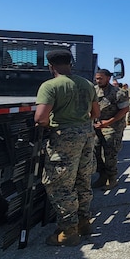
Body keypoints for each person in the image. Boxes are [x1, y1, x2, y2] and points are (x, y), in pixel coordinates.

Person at [34, 49, 100, 246]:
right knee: (82, 180)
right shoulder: (87, 84)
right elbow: (95, 112)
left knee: (60, 184)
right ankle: (84, 223)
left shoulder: (50, 86)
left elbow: (40, 118)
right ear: (71, 64)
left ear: (50, 66)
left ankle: (68, 231)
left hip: (64, 139)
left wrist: (52, 126)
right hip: (87, 136)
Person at [94, 69, 129, 189]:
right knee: (95, 151)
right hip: (97, 126)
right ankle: (102, 176)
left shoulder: (118, 93)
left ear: (108, 78)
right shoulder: (94, 91)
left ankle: (112, 179)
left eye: (100, 78)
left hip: (112, 126)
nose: (98, 80)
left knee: (109, 153)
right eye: (97, 78)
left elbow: (124, 110)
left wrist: (108, 122)